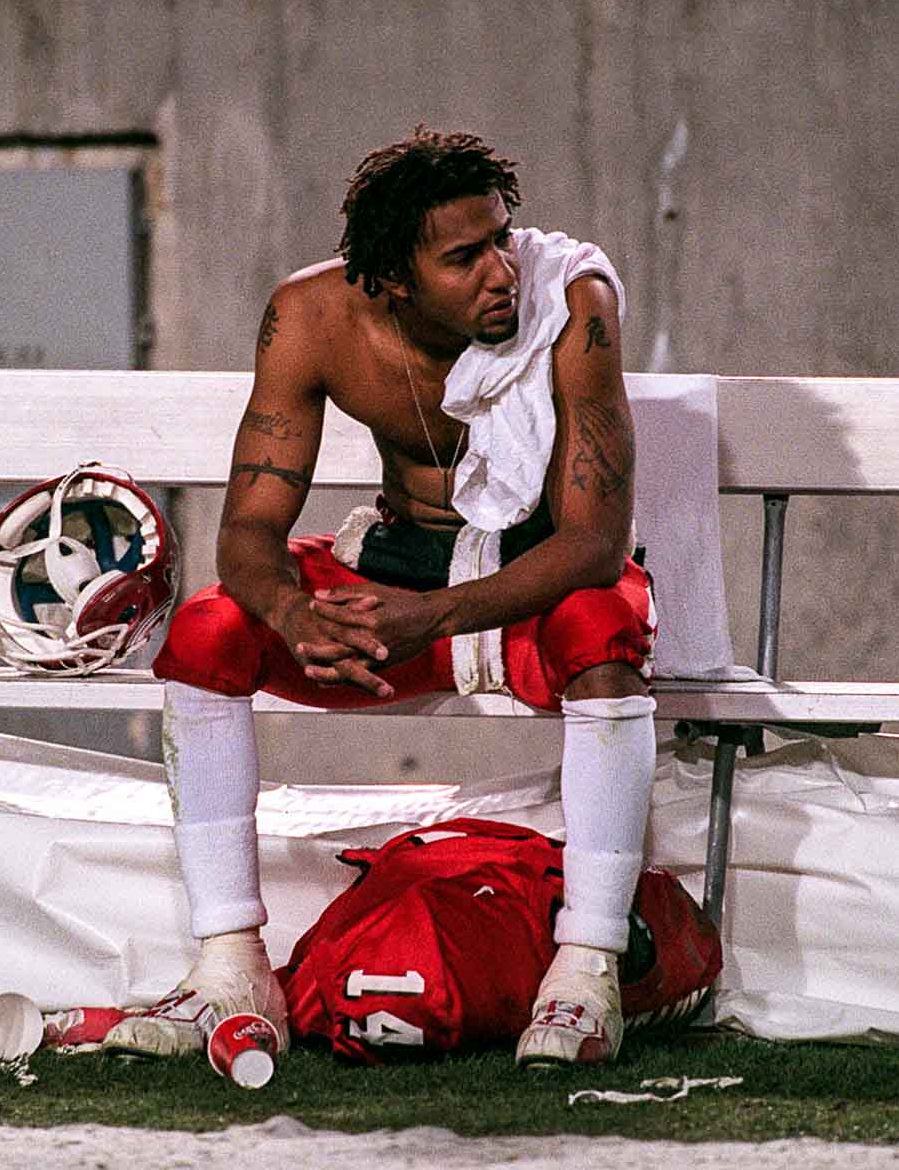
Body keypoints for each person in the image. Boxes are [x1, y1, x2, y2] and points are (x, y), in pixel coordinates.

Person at [102, 127, 658, 1067]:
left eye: (501, 241)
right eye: (463, 258)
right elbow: (247, 532)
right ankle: (231, 967)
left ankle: (586, 973)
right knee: (205, 632)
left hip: (529, 576)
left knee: (603, 632)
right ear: (393, 280)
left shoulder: (574, 303)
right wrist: (293, 614)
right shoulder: (311, 317)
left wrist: (434, 617)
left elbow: (595, 545)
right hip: (396, 567)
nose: (500, 274)